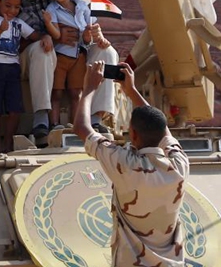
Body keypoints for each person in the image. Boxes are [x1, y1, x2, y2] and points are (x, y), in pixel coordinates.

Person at [74, 61, 189, 266]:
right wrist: (132, 91)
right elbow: (163, 131)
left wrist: (89, 89)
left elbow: (82, 127)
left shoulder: (125, 165)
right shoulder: (179, 164)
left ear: (133, 134)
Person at [9, 0, 119, 145]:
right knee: (42, 50)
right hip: (31, 54)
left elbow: (87, 26)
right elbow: (9, 35)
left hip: (72, 51)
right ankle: (42, 118)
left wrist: (95, 35)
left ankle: (95, 118)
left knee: (107, 53)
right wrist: (51, 36)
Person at [0, 0, 40, 152]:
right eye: (8, 5)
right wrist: (0, 29)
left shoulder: (18, 23)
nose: (12, 11)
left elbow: (34, 35)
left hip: (12, 67)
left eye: (16, 7)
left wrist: (46, 37)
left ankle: (8, 144)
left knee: (15, 109)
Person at [42, 0, 92, 129]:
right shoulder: (52, 9)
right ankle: (55, 124)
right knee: (56, 92)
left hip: (78, 55)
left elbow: (87, 33)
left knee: (75, 92)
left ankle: (77, 125)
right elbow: (57, 35)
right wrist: (48, 24)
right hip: (60, 57)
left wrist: (88, 34)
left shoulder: (83, 7)